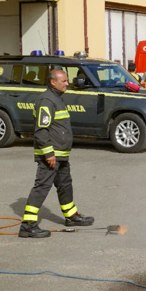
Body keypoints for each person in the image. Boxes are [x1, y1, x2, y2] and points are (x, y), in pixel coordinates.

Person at [19, 69, 94, 238]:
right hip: (51, 155)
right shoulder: (46, 101)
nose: (68, 83)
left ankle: (71, 216)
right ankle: (28, 225)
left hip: (61, 154)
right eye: (64, 81)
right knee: (42, 187)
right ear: (53, 82)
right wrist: (48, 154)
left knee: (65, 185)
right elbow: (41, 131)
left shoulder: (57, 99)